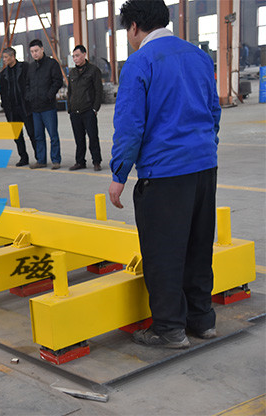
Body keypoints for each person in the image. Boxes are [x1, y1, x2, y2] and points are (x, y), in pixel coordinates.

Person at [109, 0, 221, 349]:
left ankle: (170, 328)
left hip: (165, 173)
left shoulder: (140, 62)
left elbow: (130, 126)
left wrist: (119, 175)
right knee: (198, 245)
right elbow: (213, 110)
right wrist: (204, 148)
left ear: (134, 27)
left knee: (164, 252)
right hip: (204, 168)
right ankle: (201, 320)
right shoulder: (199, 56)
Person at [25, 39, 63, 170]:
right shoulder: (31, 67)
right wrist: (29, 96)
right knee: (38, 136)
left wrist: (49, 95)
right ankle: (41, 160)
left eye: (36, 50)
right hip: (35, 108)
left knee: (53, 135)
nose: (34, 54)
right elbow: (27, 84)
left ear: (42, 49)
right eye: (32, 52)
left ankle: (56, 160)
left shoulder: (52, 64)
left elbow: (57, 81)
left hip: (48, 107)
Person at [67, 45, 103, 171]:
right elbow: (70, 92)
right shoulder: (72, 73)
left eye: (77, 56)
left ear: (84, 54)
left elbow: (99, 91)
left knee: (93, 137)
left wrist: (95, 109)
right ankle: (80, 162)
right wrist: (70, 108)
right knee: (79, 139)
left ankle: (96, 161)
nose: (75, 59)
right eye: (73, 56)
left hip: (88, 110)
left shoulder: (93, 70)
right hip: (75, 111)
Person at [0, 47, 37, 167]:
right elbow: (2, 91)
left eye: (6, 57)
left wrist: (29, 98)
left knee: (32, 133)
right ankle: (23, 157)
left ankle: (39, 157)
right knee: (17, 136)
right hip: (12, 110)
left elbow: (31, 83)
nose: (4, 60)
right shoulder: (4, 73)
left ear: (13, 56)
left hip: (25, 107)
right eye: (3, 57)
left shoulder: (25, 67)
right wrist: (5, 106)